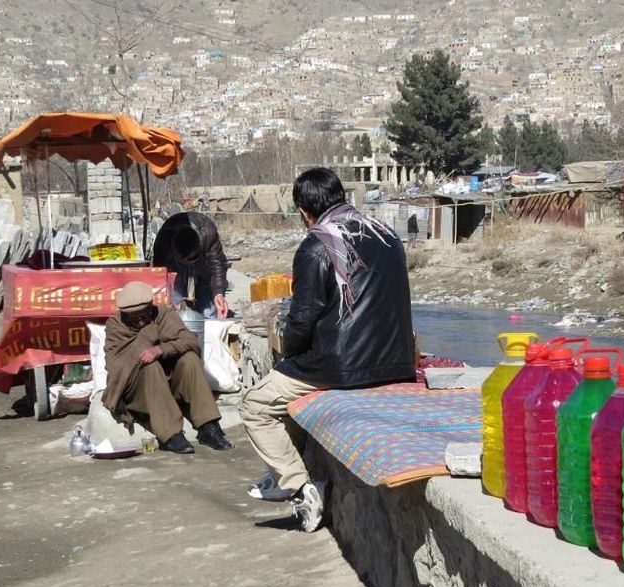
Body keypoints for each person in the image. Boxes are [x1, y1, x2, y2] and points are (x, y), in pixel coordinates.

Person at [239, 167, 416, 532]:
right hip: (397, 361)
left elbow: (303, 317)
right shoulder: (386, 234)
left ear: (304, 211)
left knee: (255, 405)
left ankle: (299, 487)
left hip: (343, 366)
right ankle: (288, 470)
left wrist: (289, 354)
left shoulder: (317, 243)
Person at [102, 281, 234, 454]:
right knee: (151, 366)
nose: (140, 321)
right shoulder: (115, 326)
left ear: (150, 307)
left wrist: (161, 349)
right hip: (137, 389)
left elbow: (190, 341)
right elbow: (116, 367)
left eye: (143, 314)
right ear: (125, 314)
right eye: (134, 317)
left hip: (168, 383)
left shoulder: (163, 314)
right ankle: (171, 434)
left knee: (189, 359)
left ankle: (208, 426)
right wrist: (147, 337)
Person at [152, 211, 230, 318]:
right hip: (175, 270)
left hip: (202, 266)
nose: (188, 262)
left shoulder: (208, 232)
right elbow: (159, 271)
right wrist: (166, 297)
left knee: (210, 311)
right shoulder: (165, 238)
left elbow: (217, 264)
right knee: (175, 310)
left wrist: (219, 292)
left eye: (191, 258)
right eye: (185, 259)